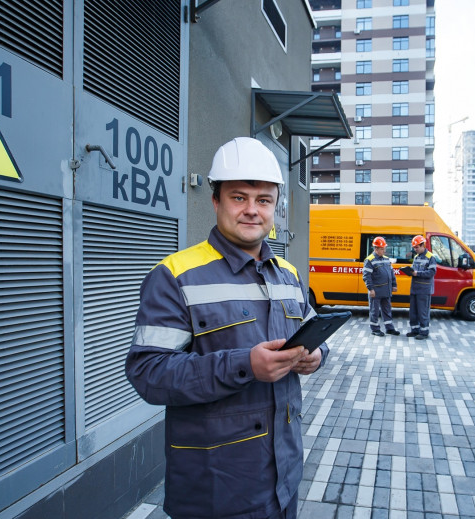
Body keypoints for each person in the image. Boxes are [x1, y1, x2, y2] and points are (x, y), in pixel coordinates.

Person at [125, 137, 327, 519]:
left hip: (284, 477)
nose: (252, 210)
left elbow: (314, 331)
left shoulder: (289, 274)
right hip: (216, 488)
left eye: (264, 200)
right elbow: (147, 373)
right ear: (215, 200)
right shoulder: (175, 276)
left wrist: (316, 355)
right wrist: (245, 365)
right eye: (239, 198)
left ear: (276, 207)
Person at [362, 236, 399, 336]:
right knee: (374, 311)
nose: (384, 251)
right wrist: (370, 289)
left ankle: (389, 328)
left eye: (384, 248)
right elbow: (366, 276)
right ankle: (375, 329)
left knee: (387, 310)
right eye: (382, 249)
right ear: (376, 248)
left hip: (386, 290)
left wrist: (394, 285)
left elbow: (391, 274)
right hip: (376, 291)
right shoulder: (369, 260)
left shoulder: (387, 260)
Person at [406, 234, 437, 340]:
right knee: (413, 311)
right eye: (414, 247)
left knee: (423, 311)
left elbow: (431, 273)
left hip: (424, 289)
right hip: (415, 288)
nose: (415, 249)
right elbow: (414, 270)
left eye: (417, 247)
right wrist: (409, 271)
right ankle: (415, 330)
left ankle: (424, 332)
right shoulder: (416, 257)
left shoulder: (430, 257)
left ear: (423, 245)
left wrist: (417, 273)